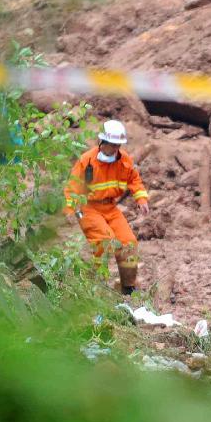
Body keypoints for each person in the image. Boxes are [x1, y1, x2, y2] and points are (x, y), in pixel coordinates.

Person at [63, 119, 150, 294]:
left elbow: (134, 179)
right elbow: (72, 186)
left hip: (110, 207)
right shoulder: (87, 161)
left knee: (128, 242)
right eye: (111, 145)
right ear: (101, 142)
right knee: (104, 239)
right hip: (88, 207)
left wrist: (141, 199)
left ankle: (128, 287)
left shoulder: (124, 160)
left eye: (117, 145)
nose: (114, 149)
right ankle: (97, 286)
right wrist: (70, 210)